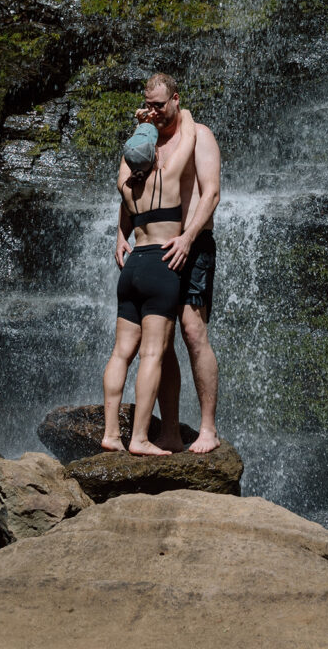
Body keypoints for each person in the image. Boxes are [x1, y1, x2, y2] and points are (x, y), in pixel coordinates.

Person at [115, 73, 221, 454]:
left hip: (192, 243)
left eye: (160, 105)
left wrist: (189, 237)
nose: (154, 112)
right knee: (159, 342)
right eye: (149, 104)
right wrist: (120, 232)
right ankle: (172, 431)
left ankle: (208, 429)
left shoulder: (200, 135)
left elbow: (211, 194)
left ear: (176, 99)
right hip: (155, 248)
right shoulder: (147, 141)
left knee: (193, 332)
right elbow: (132, 191)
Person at [102, 106, 197, 456]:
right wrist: (180, 111)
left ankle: (112, 433)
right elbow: (187, 138)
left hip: (132, 268)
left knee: (120, 354)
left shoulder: (124, 185)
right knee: (153, 353)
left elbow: (128, 159)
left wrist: (141, 126)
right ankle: (139, 437)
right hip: (161, 266)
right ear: (156, 154)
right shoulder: (168, 176)